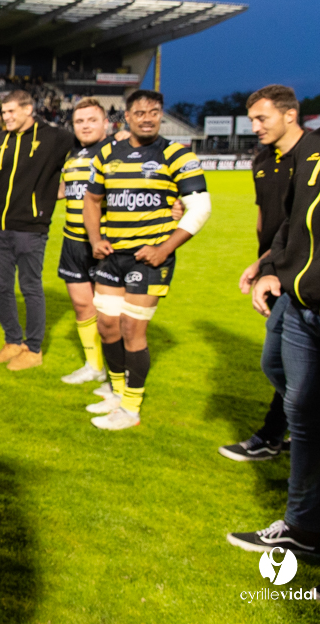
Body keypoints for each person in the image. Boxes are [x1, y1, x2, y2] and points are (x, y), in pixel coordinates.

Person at [230, 51, 320, 606]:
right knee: (303, 411)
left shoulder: (317, 146)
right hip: (301, 296)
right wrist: (271, 265)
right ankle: (303, 526)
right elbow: (295, 220)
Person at [82, 90, 210, 430]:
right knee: (107, 327)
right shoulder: (108, 152)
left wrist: (165, 248)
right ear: (127, 116)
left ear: (161, 115)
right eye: (140, 112)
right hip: (112, 257)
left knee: (131, 329)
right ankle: (117, 392)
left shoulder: (176, 154)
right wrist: (95, 239)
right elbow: (92, 201)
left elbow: (201, 207)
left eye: (154, 112)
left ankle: (131, 409)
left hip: (150, 259)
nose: (148, 117)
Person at [222, 85, 304, 461]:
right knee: (285, 363)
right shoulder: (261, 159)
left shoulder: (313, 156)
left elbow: (301, 223)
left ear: (290, 114)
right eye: (252, 118)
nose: (255, 126)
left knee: (288, 362)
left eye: (262, 118)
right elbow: (265, 219)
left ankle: (278, 434)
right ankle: (287, 433)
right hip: (272, 268)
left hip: (302, 270)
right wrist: (261, 261)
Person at [0, 90, 76, 370]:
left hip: (31, 228)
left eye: (11, 111)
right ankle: (12, 342)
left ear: (28, 109)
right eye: (3, 112)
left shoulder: (55, 137)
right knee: (1, 288)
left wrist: (66, 186)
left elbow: (88, 152)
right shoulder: (0, 140)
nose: (6, 117)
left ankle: (33, 349)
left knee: (30, 287)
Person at [56, 98, 114, 386]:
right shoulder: (72, 156)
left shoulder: (119, 152)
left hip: (106, 244)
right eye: (80, 121)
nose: (85, 126)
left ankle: (118, 374)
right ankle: (94, 366)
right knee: (82, 305)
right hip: (72, 241)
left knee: (109, 316)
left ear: (106, 122)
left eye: (92, 120)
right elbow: (66, 190)